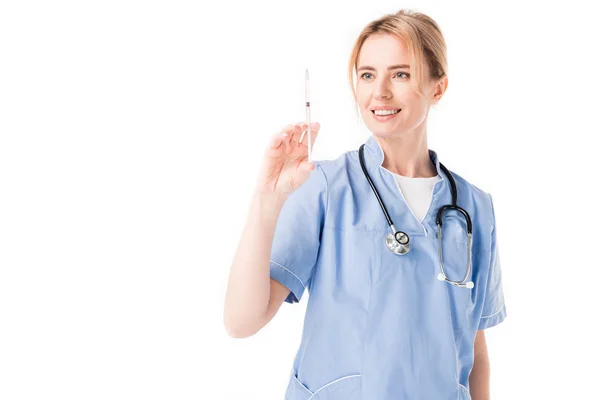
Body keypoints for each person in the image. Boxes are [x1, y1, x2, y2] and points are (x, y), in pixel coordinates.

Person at [224, 9, 506, 400]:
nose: (380, 92)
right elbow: (242, 321)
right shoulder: (325, 185)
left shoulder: (474, 207)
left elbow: (475, 351)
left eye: (401, 74)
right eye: (367, 74)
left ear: (438, 88)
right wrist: (267, 201)